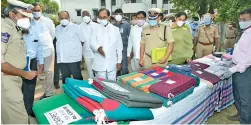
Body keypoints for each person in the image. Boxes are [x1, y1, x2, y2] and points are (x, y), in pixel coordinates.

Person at [1, 0, 37, 123]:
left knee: (9, 118)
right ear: (12, 14)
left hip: (13, 79)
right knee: (19, 119)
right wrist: (25, 74)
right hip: (6, 81)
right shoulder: (4, 28)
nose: (27, 20)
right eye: (23, 16)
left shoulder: (14, 28)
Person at [224, 8, 251, 124]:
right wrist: (232, 60)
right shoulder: (245, 31)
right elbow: (242, 51)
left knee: (245, 98)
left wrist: (234, 68)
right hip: (236, 68)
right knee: (237, 94)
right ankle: (240, 114)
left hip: (244, 70)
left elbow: (249, 58)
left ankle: (246, 121)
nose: (242, 21)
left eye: (245, 19)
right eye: (240, 19)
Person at [31, 2, 55, 99]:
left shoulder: (47, 21)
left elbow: (53, 34)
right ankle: (46, 91)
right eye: (34, 10)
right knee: (40, 73)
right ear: (31, 11)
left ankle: (49, 93)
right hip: (36, 52)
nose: (36, 12)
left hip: (48, 49)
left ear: (41, 11)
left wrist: (45, 42)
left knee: (49, 72)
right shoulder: (29, 21)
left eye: (38, 10)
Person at [91, 8, 123, 80]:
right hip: (99, 63)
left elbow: (119, 47)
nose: (102, 19)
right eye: (100, 17)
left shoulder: (115, 29)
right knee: (101, 84)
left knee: (112, 84)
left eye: (104, 17)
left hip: (112, 63)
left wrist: (119, 62)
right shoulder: (94, 28)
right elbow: (92, 41)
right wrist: (98, 48)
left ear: (108, 17)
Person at [22, 25, 44, 117]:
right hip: (16, 61)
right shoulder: (13, 31)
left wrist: (41, 62)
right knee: (17, 86)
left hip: (32, 61)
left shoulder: (36, 30)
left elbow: (39, 48)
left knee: (30, 86)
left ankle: (28, 108)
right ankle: (19, 109)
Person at [55, 11, 84, 83]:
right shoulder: (57, 28)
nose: (64, 20)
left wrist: (81, 57)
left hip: (74, 59)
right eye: (62, 18)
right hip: (62, 59)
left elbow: (82, 40)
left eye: (66, 18)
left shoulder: (76, 27)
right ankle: (67, 93)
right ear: (59, 18)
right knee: (65, 80)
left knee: (77, 78)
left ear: (69, 18)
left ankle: (80, 94)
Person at [79, 9, 99, 78]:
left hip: (96, 52)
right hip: (86, 53)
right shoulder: (80, 27)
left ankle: (99, 86)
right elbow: (80, 41)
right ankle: (91, 86)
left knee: (98, 71)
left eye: (86, 15)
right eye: (83, 16)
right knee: (90, 72)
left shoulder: (96, 26)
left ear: (90, 16)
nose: (85, 17)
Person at [113, 9, 131, 75]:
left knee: (124, 67)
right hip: (115, 49)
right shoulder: (112, 26)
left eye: (120, 14)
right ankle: (117, 80)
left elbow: (130, 38)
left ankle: (125, 80)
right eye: (116, 14)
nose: (118, 15)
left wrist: (129, 51)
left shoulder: (126, 25)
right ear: (114, 15)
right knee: (117, 67)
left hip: (124, 48)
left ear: (122, 15)